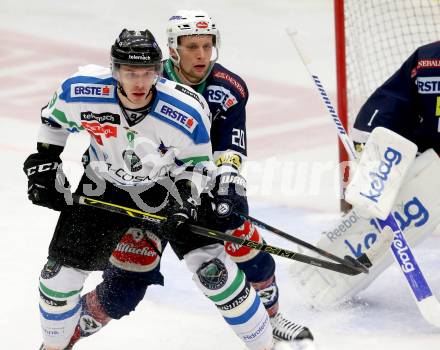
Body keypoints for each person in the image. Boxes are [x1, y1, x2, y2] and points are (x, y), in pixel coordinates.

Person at [61, 10, 315, 350]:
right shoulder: (147, 77)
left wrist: (227, 185)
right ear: (174, 48)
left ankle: (270, 319)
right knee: (125, 287)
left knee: (241, 236)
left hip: (195, 184)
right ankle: (65, 333)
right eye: (192, 46)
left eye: (207, 46)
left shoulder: (229, 88)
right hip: (140, 191)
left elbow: (229, 146)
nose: (201, 55)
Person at [292, 41, 440, 308]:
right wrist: (370, 147)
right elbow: (389, 104)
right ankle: (326, 272)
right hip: (430, 163)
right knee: (388, 214)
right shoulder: (428, 60)